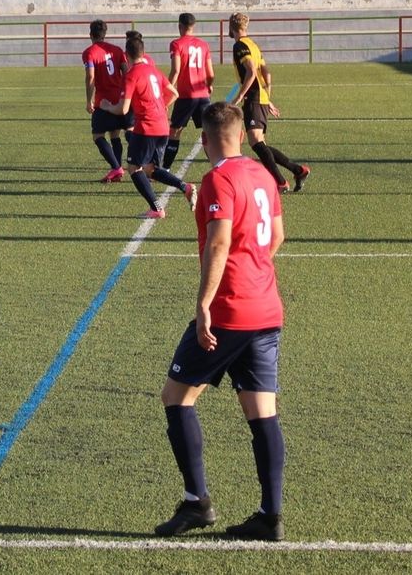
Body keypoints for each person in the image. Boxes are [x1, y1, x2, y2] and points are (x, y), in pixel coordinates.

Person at [154, 101, 287, 542]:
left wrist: (205, 303)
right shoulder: (263, 174)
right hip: (267, 308)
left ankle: (197, 502)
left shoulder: (218, 179)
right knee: (261, 412)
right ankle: (269, 516)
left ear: (206, 139)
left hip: (231, 309)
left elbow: (219, 242)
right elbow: (278, 237)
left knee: (176, 397)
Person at [227, 13, 308, 194]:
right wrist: (267, 97)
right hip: (260, 97)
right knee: (260, 143)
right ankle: (298, 170)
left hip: (253, 98)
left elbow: (251, 72)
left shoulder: (240, 46)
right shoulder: (253, 45)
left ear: (232, 27)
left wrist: (241, 96)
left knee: (256, 142)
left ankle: (280, 182)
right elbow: (266, 73)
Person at [116, 30, 194, 219]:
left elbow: (123, 109)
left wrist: (107, 105)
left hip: (147, 127)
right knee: (150, 169)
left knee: (135, 168)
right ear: (144, 53)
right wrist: (160, 107)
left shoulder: (132, 74)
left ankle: (157, 208)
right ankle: (185, 187)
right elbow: (174, 93)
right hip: (162, 126)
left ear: (126, 55)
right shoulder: (154, 71)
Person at [83, 18, 131, 183]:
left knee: (97, 135)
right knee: (115, 133)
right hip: (119, 98)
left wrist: (89, 100)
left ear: (91, 34)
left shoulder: (89, 52)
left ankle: (116, 167)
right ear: (105, 33)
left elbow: (91, 77)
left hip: (103, 101)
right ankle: (116, 170)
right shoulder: (118, 51)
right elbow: (127, 72)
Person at [166, 13, 215, 169]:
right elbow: (211, 74)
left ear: (180, 26)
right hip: (203, 96)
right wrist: (209, 85)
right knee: (209, 133)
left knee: (174, 132)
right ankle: (218, 166)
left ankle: (165, 168)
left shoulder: (176, 44)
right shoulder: (203, 45)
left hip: (186, 96)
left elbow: (176, 70)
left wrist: (167, 92)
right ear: (193, 26)